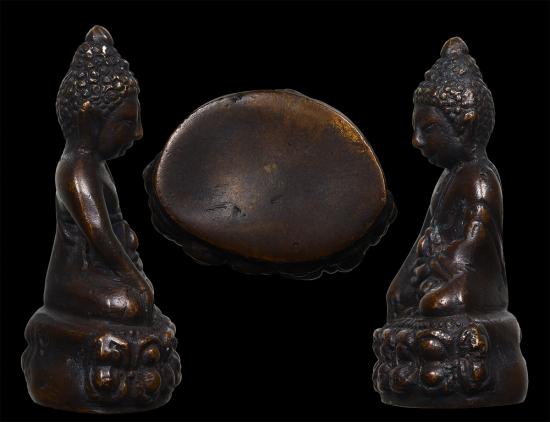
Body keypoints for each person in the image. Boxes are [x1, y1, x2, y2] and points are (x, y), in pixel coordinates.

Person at [386, 37, 507, 321]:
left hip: (472, 275)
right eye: (416, 129)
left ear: (465, 125)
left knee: (436, 306)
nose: (416, 140)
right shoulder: (446, 179)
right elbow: (425, 233)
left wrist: (449, 260)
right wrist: (406, 275)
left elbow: (478, 236)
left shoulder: (480, 178)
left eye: (429, 129)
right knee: (396, 298)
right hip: (436, 268)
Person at [43, 25, 153, 323]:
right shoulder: (75, 171)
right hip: (74, 279)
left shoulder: (97, 165)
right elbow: (100, 235)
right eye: (126, 123)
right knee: (132, 305)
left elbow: (112, 229)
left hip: (102, 271)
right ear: (90, 121)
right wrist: (134, 278)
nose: (139, 133)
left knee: (140, 301)